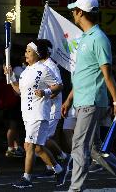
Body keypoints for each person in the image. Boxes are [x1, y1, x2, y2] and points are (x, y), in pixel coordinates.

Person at [61, 0, 116, 192]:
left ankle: (75, 188)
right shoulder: (85, 38)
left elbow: (107, 75)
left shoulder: (98, 38)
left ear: (80, 12)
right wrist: (69, 98)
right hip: (83, 100)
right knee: (95, 150)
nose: (72, 13)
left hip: (92, 100)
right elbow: (84, 73)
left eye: (74, 10)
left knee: (79, 146)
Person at [5, 40, 66, 188]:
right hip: (27, 114)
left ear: (37, 54)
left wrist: (45, 92)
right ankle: (59, 169)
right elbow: (19, 91)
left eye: (29, 51)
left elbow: (59, 86)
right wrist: (11, 76)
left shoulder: (44, 69)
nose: (25, 54)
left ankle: (27, 178)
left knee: (29, 146)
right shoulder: (25, 71)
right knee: (38, 147)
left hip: (39, 114)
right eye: (25, 51)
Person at [37, 39, 72, 179]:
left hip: (52, 108)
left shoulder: (51, 66)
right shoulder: (39, 65)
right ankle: (51, 167)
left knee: (43, 139)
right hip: (42, 108)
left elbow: (59, 85)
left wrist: (50, 94)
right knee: (41, 140)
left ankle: (64, 157)